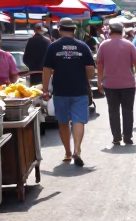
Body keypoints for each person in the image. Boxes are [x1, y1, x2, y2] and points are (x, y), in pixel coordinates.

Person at [41, 17, 96, 167]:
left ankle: (67, 152)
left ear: (59, 30)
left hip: (60, 91)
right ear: (74, 30)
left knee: (63, 122)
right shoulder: (83, 46)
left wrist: (45, 89)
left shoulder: (53, 47)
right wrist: (87, 80)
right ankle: (77, 149)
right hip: (79, 90)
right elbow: (90, 70)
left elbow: (46, 70)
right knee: (78, 120)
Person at [95, 22, 136, 147]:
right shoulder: (129, 45)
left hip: (110, 84)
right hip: (127, 84)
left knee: (113, 111)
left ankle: (116, 137)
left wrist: (99, 82)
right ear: (122, 31)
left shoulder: (103, 45)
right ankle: (127, 137)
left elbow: (99, 65)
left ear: (110, 31)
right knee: (128, 111)